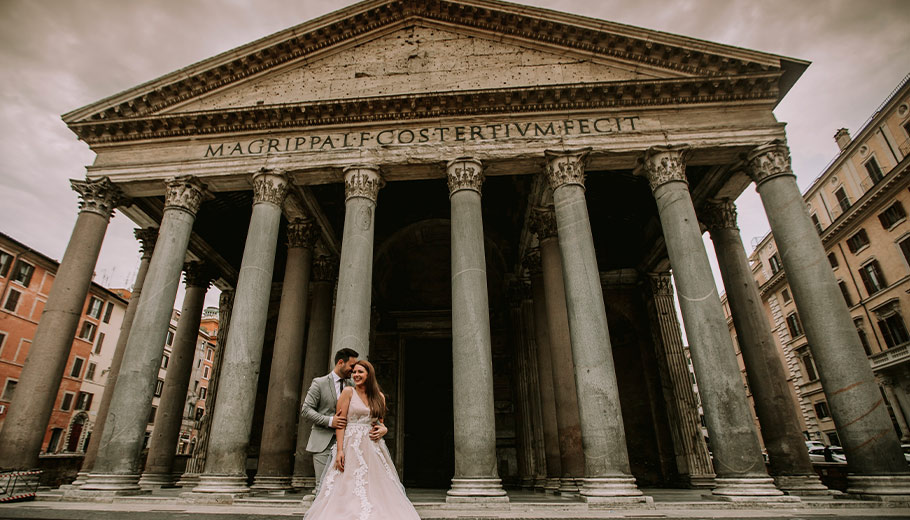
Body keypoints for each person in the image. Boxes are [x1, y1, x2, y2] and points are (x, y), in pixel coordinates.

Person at [303, 360, 419, 520]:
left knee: (375, 483)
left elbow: (380, 423)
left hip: (372, 446)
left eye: (360, 372)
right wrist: (340, 450)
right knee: (347, 481)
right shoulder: (348, 392)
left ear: (369, 374)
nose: (356, 375)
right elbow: (341, 424)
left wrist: (384, 429)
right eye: (354, 372)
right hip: (350, 444)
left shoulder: (379, 397)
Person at [301, 348, 386, 491]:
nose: (354, 372)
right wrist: (330, 421)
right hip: (324, 441)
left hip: (351, 444)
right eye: (352, 367)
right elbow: (306, 409)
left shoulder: (354, 386)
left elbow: (368, 414)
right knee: (323, 488)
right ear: (341, 362)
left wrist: (383, 427)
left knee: (347, 489)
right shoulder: (319, 383)